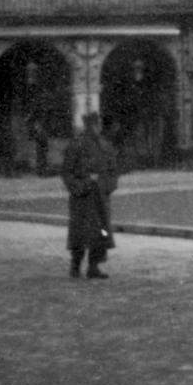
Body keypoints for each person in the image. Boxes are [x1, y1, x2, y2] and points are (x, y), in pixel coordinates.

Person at [60, 113, 119, 280]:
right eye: (93, 124)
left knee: (100, 233)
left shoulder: (105, 146)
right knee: (79, 232)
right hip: (82, 199)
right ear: (88, 125)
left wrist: (105, 186)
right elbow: (67, 173)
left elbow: (113, 171)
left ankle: (94, 266)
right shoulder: (75, 145)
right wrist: (83, 185)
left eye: (97, 124)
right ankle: (75, 265)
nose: (96, 127)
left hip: (100, 197)